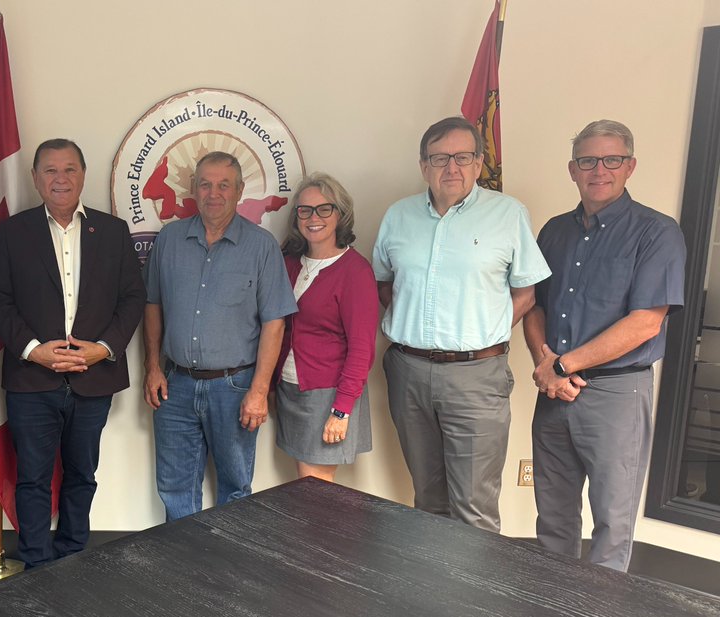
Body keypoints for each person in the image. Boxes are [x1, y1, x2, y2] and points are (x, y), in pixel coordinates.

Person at [372, 116, 550, 533]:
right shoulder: (398, 217)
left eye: (462, 157)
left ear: (478, 163)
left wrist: (484, 331)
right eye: (439, 158)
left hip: (477, 376)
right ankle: (436, 592)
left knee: (474, 508)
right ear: (423, 166)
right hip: (408, 372)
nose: (450, 167)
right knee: (427, 498)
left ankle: (473, 598)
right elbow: (384, 282)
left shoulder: (508, 214)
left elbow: (526, 293)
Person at [523, 120, 686, 571]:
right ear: (572, 170)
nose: (599, 169)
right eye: (587, 160)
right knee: (553, 518)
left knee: (612, 525)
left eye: (611, 159)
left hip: (617, 395)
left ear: (630, 166)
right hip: (553, 392)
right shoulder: (554, 232)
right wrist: (544, 363)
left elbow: (645, 323)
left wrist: (563, 365)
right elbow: (533, 305)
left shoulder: (657, 232)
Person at [0, 139, 145, 569]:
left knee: (82, 475)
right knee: (33, 478)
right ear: (36, 178)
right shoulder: (15, 232)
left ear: (83, 175)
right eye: (50, 170)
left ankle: (73, 558)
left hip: (95, 379)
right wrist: (34, 351)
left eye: (69, 169)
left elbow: (132, 299)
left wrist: (103, 349)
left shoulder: (112, 231)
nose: (60, 179)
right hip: (32, 379)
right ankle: (36, 565)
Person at [143, 151, 297, 521]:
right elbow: (153, 306)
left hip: (235, 387)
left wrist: (259, 392)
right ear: (193, 189)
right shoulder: (170, 239)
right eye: (206, 184)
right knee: (175, 487)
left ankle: (229, 574)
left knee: (236, 488)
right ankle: (183, 572)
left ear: (240, 190)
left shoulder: (261, 247)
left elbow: (275, 323)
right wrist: (152, 368)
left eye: (223, 185)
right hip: (174, 385)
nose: (214, 193)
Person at [274, 173, 378, 481]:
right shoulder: (290, 262)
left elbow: (362, 349)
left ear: (340, 213)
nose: (313, 217)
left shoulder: (355, 272)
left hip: (328, 394)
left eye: (324, 209)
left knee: (315, 488)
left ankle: (327, 533)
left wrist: (342, 409)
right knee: (306, 483)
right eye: (305, 210)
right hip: (291, 389)